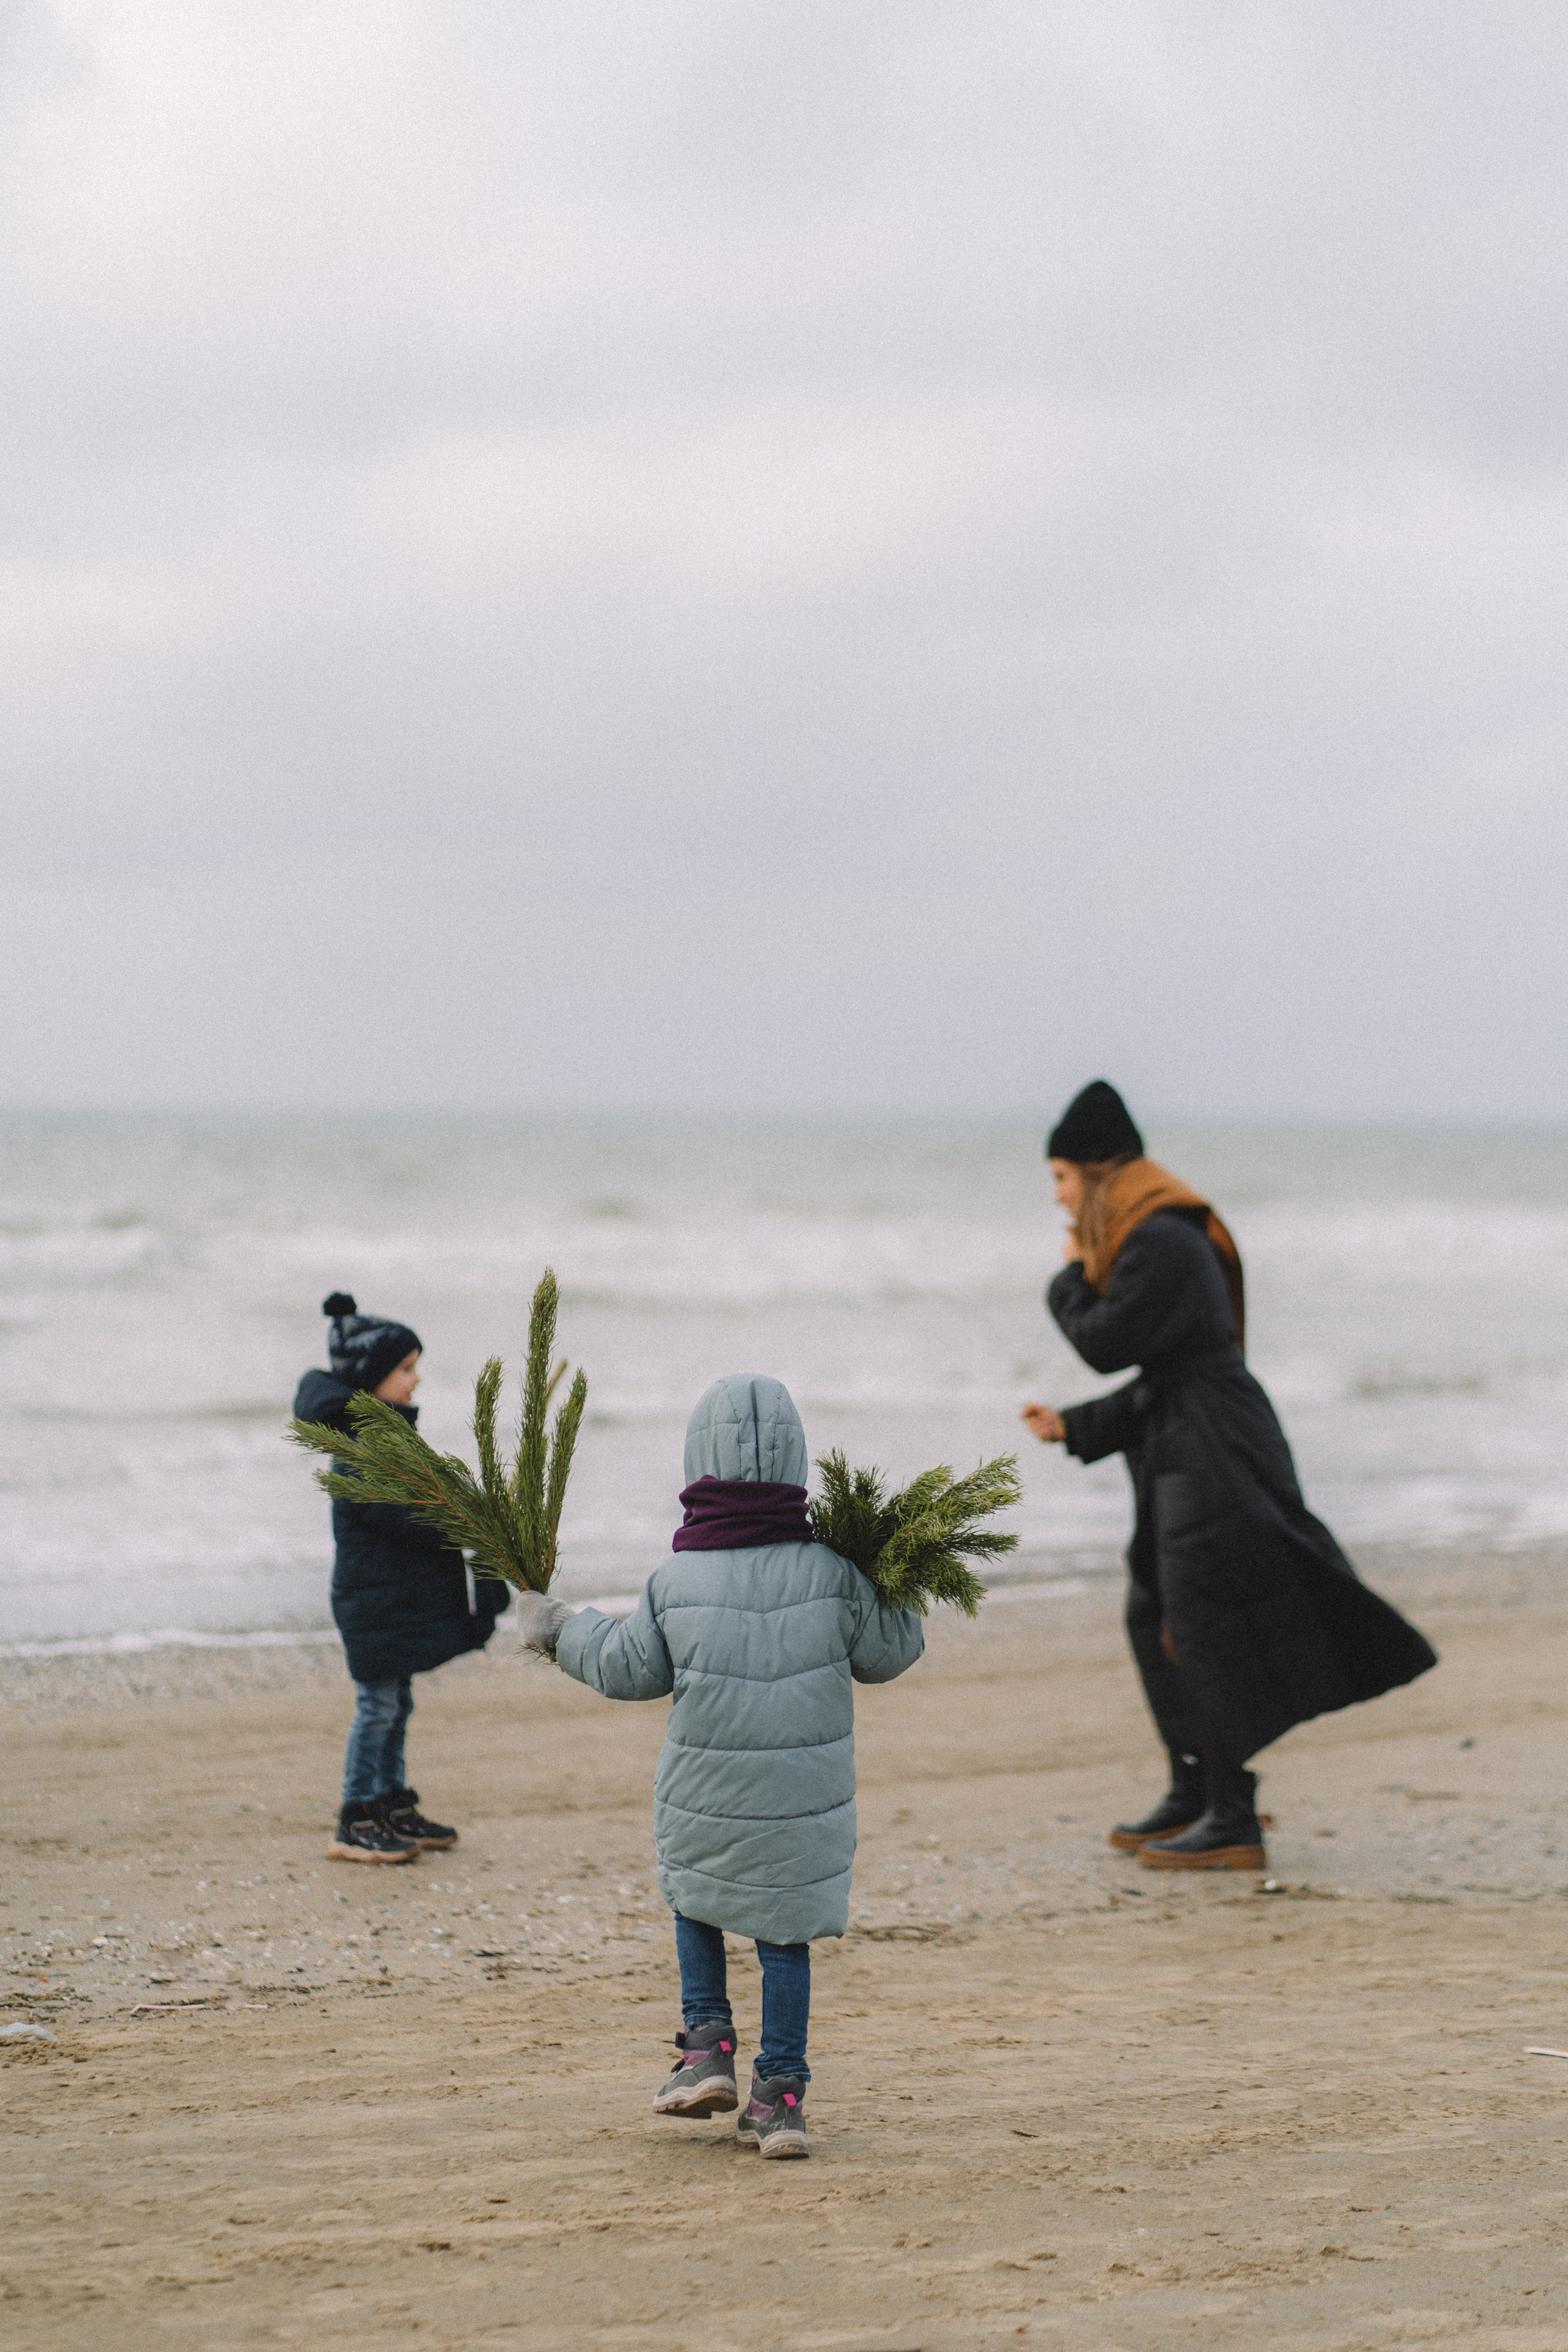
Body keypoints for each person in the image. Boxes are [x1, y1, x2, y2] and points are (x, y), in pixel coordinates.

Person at [1022, 1082, 1436, 1871]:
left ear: (1100, 1171)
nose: (1059, 1198)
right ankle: (1193, 1791)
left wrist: (1069, 1279)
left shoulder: (1158, 1241)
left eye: (1062, 1178)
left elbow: (1109, 1344)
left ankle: (1232, 1814)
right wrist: (1075, 1425)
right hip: (1189, 1440)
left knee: (1196, 1626)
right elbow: (1165, 1369)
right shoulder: (1156, 1234)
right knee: (1154, 1615)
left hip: (1210, 1452)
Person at [512, 1373, 925, 2159]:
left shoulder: (678, 1581)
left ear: (697, 1465)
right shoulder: (836, 1574)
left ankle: (706, 2048)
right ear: (797, 1466)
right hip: (806, 1803)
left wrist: (556, 1627)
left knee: (695, 1897)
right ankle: (781, 2096)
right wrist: (902, 1580)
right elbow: (889, 1655)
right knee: (785, 1939)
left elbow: (629, 1670)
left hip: (705, 1794)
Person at [294, 1293, 511, 1864]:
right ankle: (355, 1816)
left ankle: (389, 1803)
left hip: (389, 1603)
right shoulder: (363, 1446)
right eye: (406, 1369)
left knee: (396, 1702)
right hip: (373, 1605)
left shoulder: (386, 1436)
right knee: (378, 1706)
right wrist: (465, 1518)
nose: (416, 1381)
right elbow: (405, 1514)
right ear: (372, 1377)